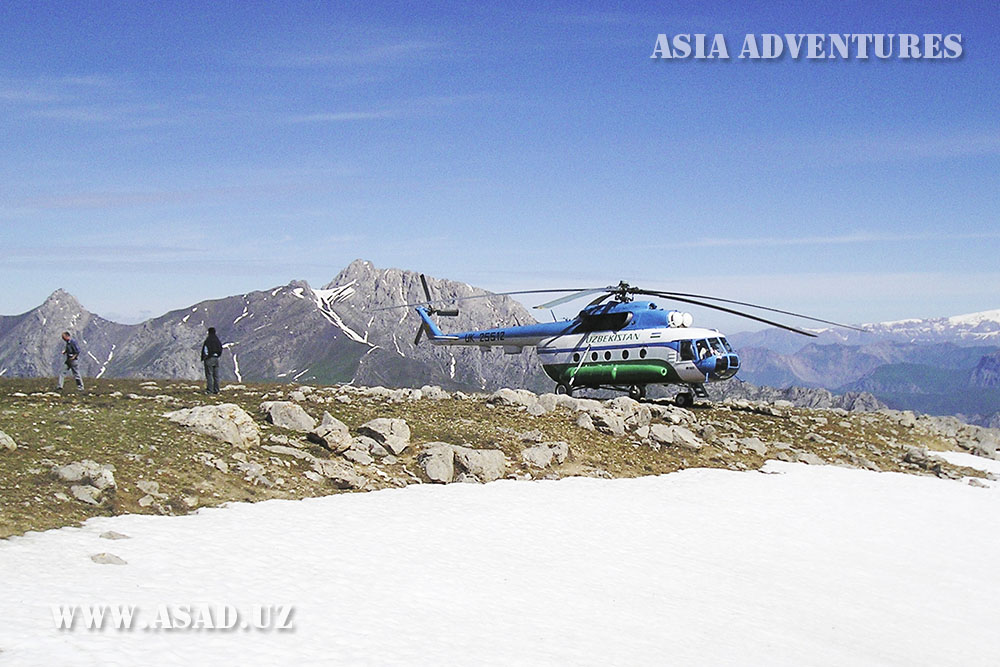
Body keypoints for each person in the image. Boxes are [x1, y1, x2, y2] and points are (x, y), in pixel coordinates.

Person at [200, 327, 223, 394]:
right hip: (216, 359)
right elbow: (220, 348)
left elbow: (205, 350)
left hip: (209, 359)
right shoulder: (217, 340)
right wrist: (218, 355)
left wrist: (205, 357)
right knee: (216, 375)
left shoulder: (208, 340)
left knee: (209, 374)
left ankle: (209, 390)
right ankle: (217, 390)